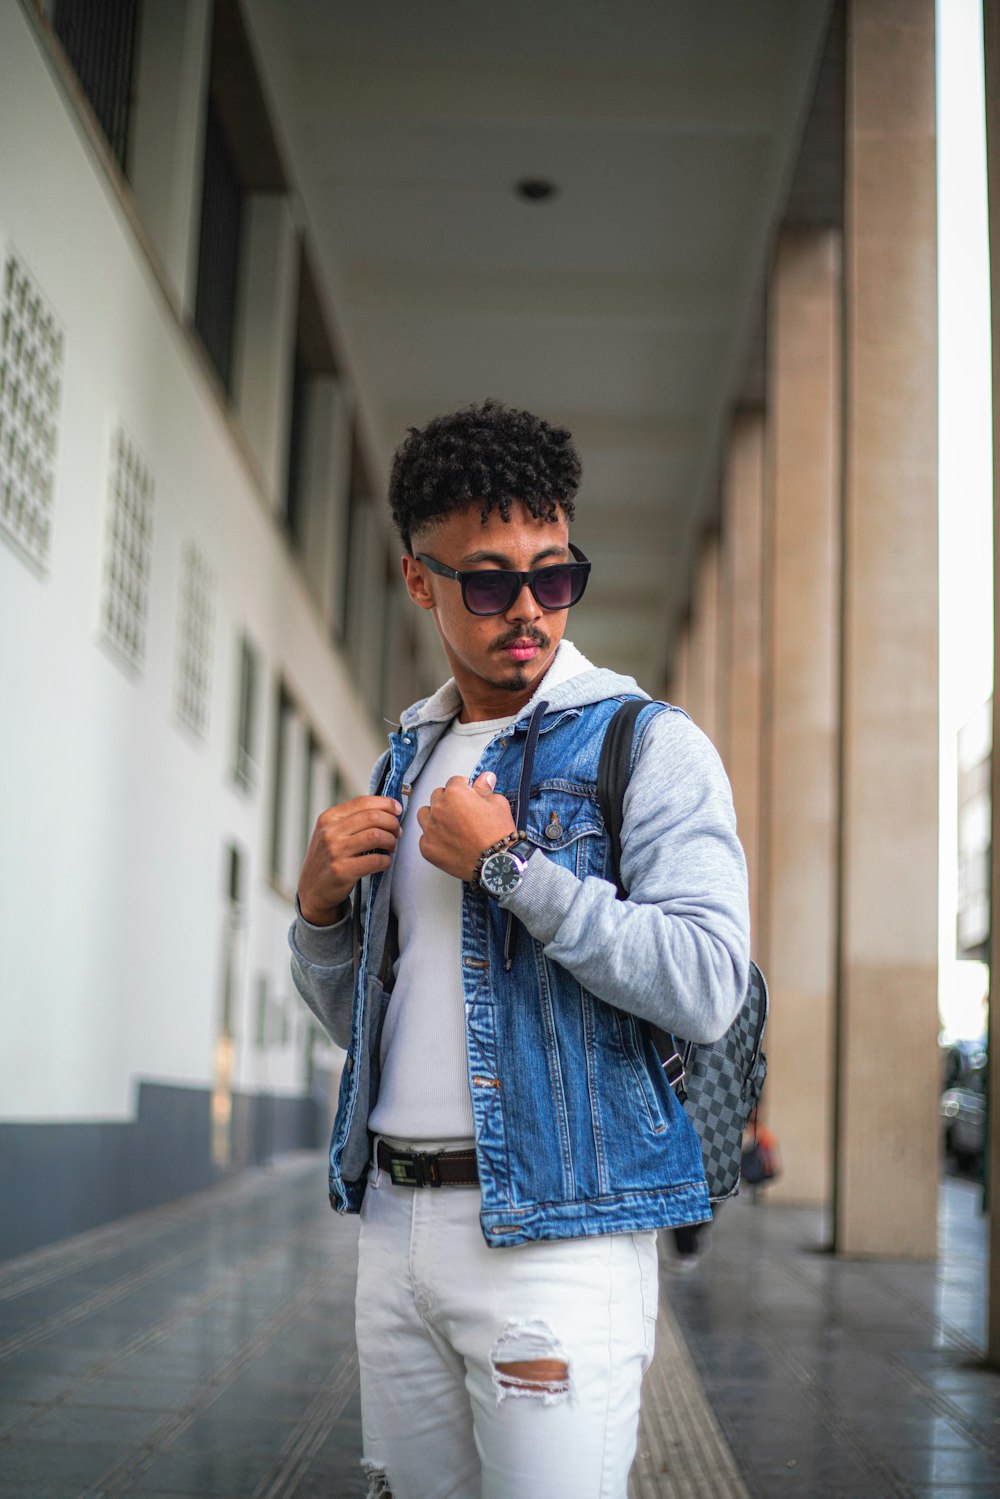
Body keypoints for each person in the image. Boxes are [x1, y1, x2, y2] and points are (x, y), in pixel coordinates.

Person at [290, 399, 750, 1499]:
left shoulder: (648, 744)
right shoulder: (407, 752)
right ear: (419, 580)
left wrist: (511, 868)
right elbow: (375, 1021)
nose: (528, 609)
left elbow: (705, 981)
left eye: (554, 574)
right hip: (393, 1223)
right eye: (488, 581)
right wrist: (314, 913)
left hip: (554, 1238)